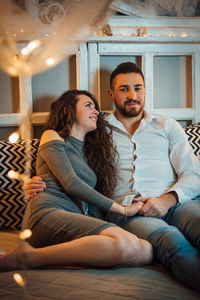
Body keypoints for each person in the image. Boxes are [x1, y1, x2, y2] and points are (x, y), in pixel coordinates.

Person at [26, 63, 200, 292]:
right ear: (111, 94)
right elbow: (68, 160)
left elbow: (193, 173)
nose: (132, 96)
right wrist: (37, 181)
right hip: (128, 212)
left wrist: (166, 200)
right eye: (124, 89)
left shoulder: (167, 126)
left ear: (145, 90)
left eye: (138, 88)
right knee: (171, 241)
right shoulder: (96, 128)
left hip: (176, 202)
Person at [0, 89, 153, 272]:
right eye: (88, 105)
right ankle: (27, 257)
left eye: (95, 107)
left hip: (74, 220)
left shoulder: (89, 155)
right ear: (67, 110)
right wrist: (123, 210)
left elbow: (90, 202)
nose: (96, 111)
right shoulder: (52, 136)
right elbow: (71, 183)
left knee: (145, 251)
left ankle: (44, 257)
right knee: (125, 244)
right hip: (47, 213)